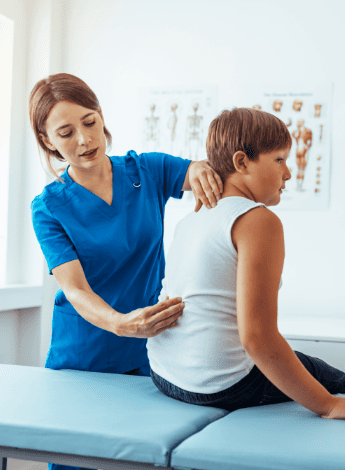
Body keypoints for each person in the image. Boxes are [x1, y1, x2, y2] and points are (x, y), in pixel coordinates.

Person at [30, 73, 223, 470]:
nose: (84, 140)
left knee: (140, 459)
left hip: (150, 349)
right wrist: (119, 322)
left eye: (89, 122)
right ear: (48, 140)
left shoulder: (146, 172)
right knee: (78, 462)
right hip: (84, 357)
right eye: (66, 133)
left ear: (101, 116)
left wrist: (205, 169)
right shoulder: (48, 208)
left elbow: (197, 172)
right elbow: (75, 289)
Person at [147, 108, 345, 420]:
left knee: (304, 362)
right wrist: (328, 404)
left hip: (165, 375)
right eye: (279, 160)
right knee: (330, 379)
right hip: (219, 386)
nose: (288, 173)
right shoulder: (258, 221)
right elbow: (257, 339)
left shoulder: (190, 219)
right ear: (242, 162)